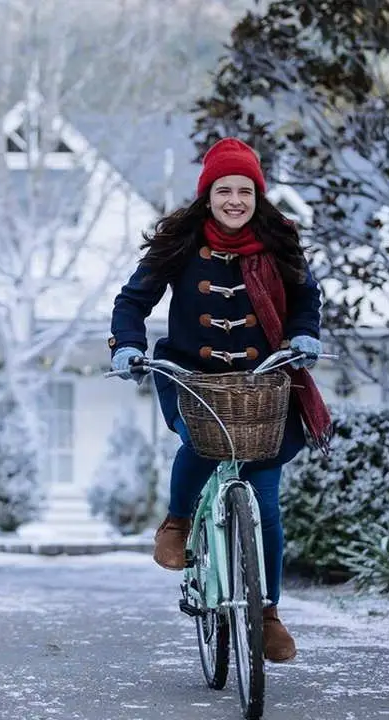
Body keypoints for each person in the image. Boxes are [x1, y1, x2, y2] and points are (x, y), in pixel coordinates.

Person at [106, 137, 331, 664]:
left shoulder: (280, 239)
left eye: (245, 190)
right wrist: (128, 346)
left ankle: (267, 613)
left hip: (262, 382)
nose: (235, 199)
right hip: (192, 375)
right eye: (224, 189)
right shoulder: (180, 240)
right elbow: (133, 300)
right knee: (200, 443)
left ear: (258, 194)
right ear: (208, 194)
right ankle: (178, 523)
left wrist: (303, 334)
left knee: (267, 503)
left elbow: (305, 297)